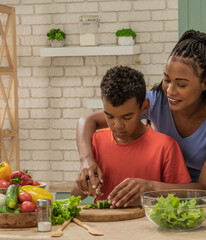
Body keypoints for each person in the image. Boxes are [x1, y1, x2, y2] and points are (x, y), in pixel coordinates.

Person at [76, 29, 206, 208]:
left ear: (205, 83)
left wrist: (150, 187)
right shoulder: (158, 101)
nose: (170, 90)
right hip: (166, 197)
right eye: (167, 79)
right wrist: (86, 160)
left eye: (181, 84)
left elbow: (204, 188)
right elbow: (87, 121)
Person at [71, 65, 191, 202]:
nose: (117, 126)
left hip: (148, 223)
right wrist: (83, 183)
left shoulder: (165, 147)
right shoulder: (97, 140)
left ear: (144, 107)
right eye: (109, 116)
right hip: (103, 223)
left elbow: (181, 198)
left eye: (127, 117)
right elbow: (75, 195)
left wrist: (150, 195)